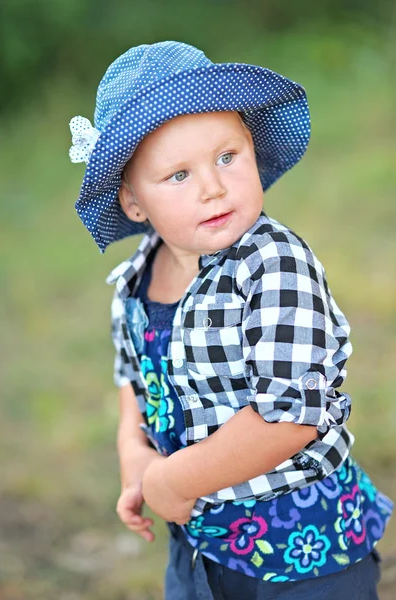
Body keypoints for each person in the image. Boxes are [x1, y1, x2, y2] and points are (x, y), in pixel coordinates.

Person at [69, 41, 393, 599]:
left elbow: (291, 416)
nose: (214, 187)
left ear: (253, 148)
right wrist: (134, 453)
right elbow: (134, 378)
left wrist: (173, 478)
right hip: (200, 545)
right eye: (178, 175)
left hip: (303, 549)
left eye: (227, 156)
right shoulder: (134, 280)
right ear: (133, 201)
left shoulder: (274, 266)